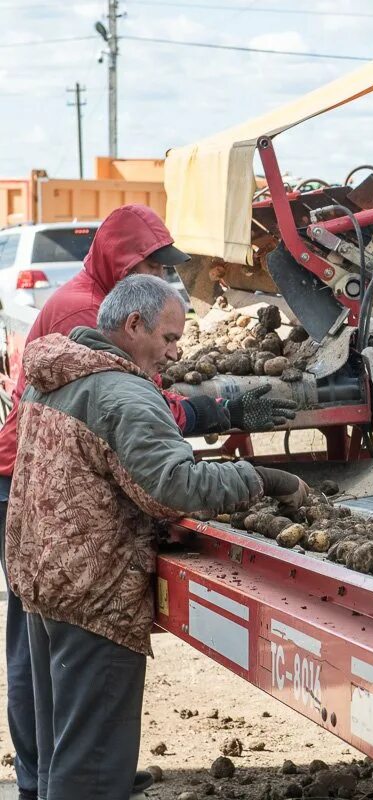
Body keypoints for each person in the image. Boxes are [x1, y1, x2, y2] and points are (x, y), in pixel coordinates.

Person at [0, 205, 295, 800]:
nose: (173, 354)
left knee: (64, 736)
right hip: (92, 586)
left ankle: (42, 785)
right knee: (92, 764)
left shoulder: (64, 364)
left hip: (45, 565)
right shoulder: (115, 381)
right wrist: (263, 479)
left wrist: (210, 411)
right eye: (168, 338)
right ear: (132, 325)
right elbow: (174, 484)